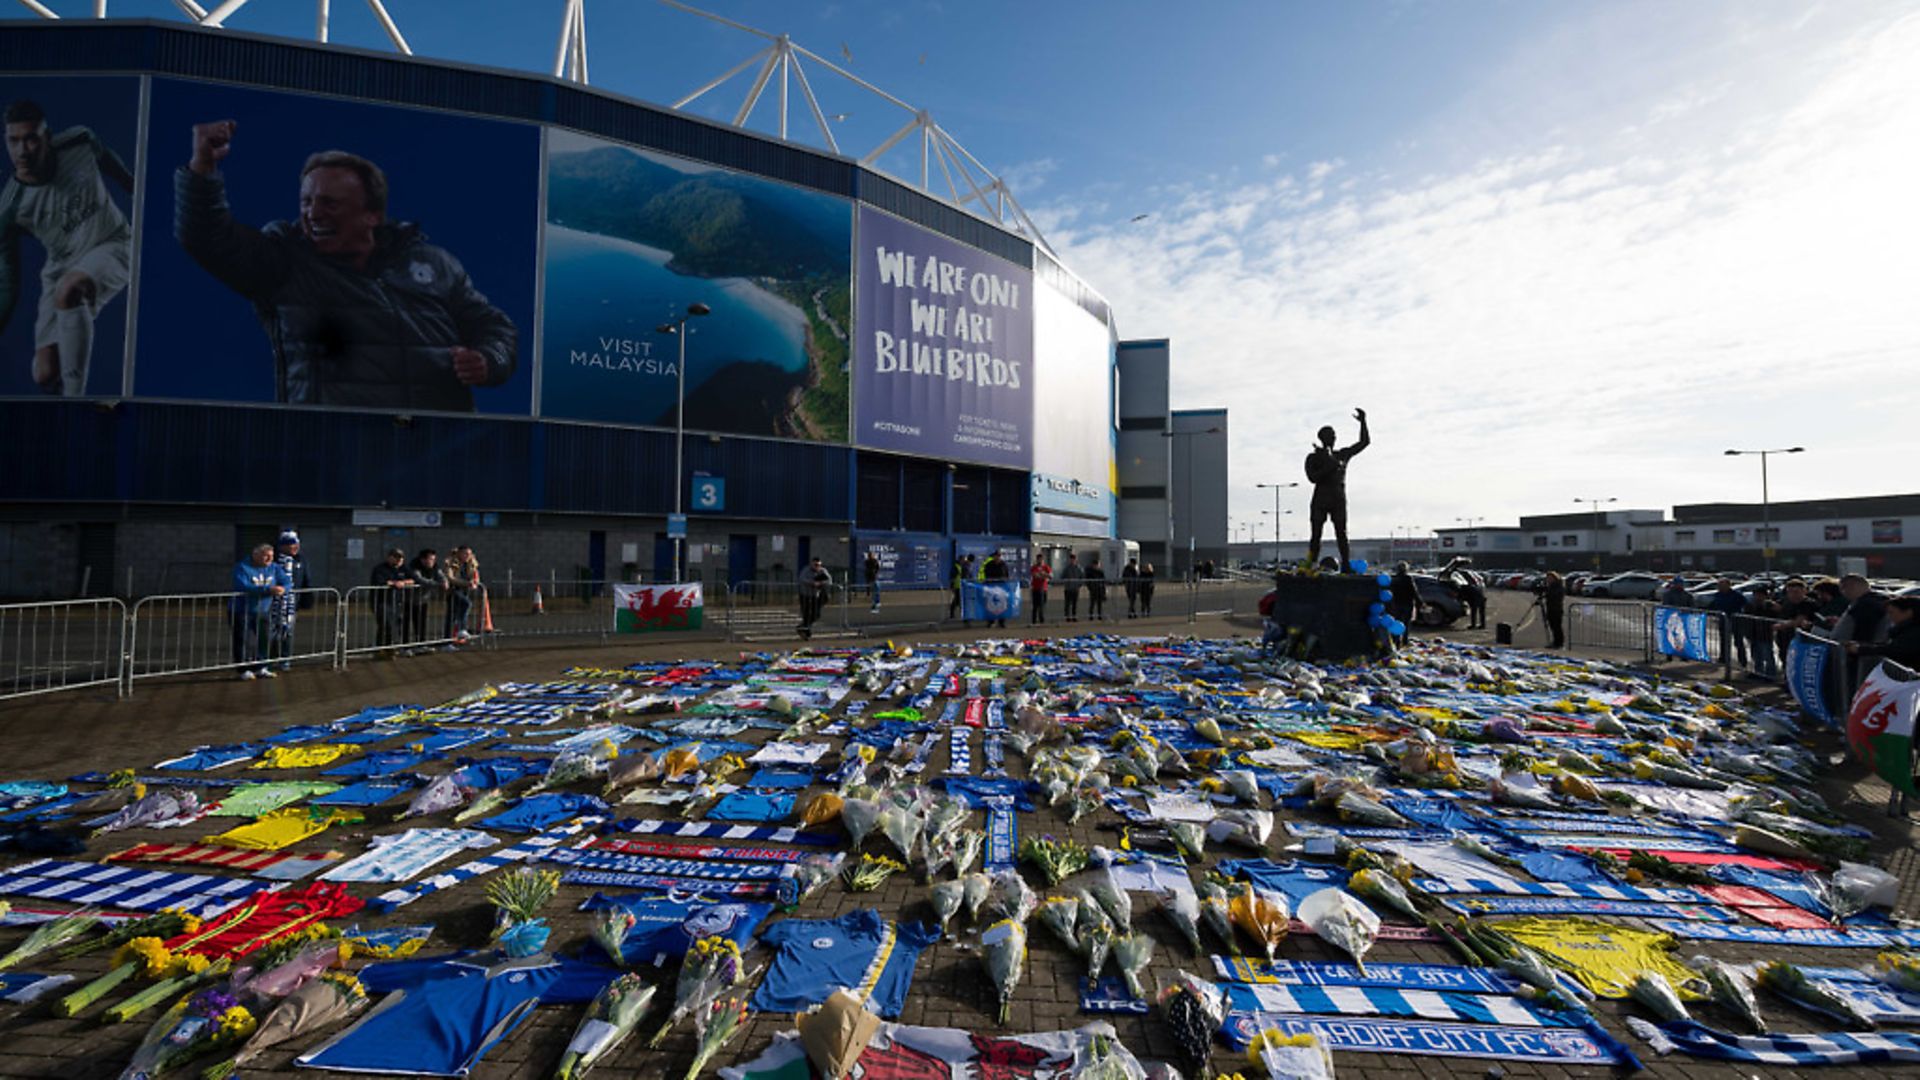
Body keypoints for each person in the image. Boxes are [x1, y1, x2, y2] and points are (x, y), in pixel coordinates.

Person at [175, 120, 517, 411]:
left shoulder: (435, 263)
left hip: (437, 455)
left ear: (373, 215)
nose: (313, 213)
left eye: (329, 203)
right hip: (331, 457)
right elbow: (209, 239)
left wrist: (488, 360)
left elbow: (495, 327)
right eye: (306, 202)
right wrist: (202, 168)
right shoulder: (285, 263)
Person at [1, 99, 134, 396]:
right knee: (45, 374)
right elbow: (8, 283)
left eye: (31, 139)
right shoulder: (10, 209)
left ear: (46, 137)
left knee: (70, 288)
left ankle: (76, 405)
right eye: (14, 141)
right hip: (60, 265)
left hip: (113, 241)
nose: (23, 150)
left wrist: (135, 186)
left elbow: (106, 157)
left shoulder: (78, 140)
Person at [1304, 407, 1370, 572]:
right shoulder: (1313, 457)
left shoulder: (1343, 454)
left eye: (1334, 435)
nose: (1333, 438)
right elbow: (1313, 478)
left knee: (1342, 533)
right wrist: (1329, 464)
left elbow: (1364, 442)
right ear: (1322, 438)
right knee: (1316, 535)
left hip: (1338, 498)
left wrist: (1363, 422)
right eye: (1330, 436)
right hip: (1320, 498)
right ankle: (1311, 565)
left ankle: (1346, 564)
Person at [230, 542, 288, 679]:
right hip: (242, 610)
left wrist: (284, 588)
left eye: (271, 556)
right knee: (244, 640)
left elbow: (286, 581)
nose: (269, 559)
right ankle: (243, 670)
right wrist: (267, 590)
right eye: (265, 556)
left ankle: (261, 666)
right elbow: (243, 586)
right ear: (255, 555)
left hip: (263, 610)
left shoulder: (274, 568)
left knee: (264, 639)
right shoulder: (242, 567)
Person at [266, 530, 311, 671]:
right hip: (272, 603)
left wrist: (306, 600)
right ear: (283, 546)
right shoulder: (273, 560)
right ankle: (270, 659)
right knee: (271, 632)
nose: (295, 547)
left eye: (296, 543)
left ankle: (285, 659)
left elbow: (306, 579)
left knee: (287, 631)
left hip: (291, 603)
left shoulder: (301, 560)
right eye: (291, 544)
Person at [1846, 596, 1920, 670]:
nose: (1889, 616)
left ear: (1908, 612)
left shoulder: (1914, 631)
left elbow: (1894, 649)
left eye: (1892, 612)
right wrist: (1862, 646)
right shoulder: (1905, 629)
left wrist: (1861, 649)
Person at [369, 546, 416, 651]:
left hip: (398, 602)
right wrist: (394, 583)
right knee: (385, 625)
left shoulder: (403, 568)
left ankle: (390, 648)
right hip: (382, 602)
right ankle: (381, 648)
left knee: (397, 625)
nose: (399, 560)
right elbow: (380, 582)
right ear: (389, 557)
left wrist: (404, 582)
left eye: (401, 558)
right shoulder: (380, 569)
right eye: (396, 557)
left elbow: (414, 579)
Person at [1705, 578, 1750, 667]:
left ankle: (1742, 660)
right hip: (1723, 620)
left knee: (1738, 641)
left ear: (1728, 585)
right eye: (1719, 585)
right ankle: (1723, 658)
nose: (1720, 587)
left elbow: (1746, 604)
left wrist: (1742, 614)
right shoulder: (1717, 595)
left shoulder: (1736, 595)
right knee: (1724, 641)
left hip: (1735, 621)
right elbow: (1712, 606)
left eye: (1722, 585)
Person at [406, 548, 442, 653]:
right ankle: (405, 647)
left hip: (423, 599)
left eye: (433, 559)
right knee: (406, 624)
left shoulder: (435, 565)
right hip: (408, 600)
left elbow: (440, 575)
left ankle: (421, 645)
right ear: (423, 559)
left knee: (421, 623)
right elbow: (419, 579)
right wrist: (437, 584)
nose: (433, 561)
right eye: (431, 559)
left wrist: (444, 581)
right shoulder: (414, 566)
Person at [443, 545, 479, 646]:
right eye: (465, 553)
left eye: (469, 554)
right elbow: (450, 578)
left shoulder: (471, 563)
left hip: (465, 591)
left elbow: (475, 575)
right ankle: (461, 629)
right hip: (454, 591)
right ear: (459, 553)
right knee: (466, 604)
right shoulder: (451, 563)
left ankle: (450, 640)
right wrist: (466, 583)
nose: (467, 556)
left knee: (453, 616)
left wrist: (475, 583)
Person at [1745, 583, 1780, 679]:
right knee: (1756, 655)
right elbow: (1746, 617)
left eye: (1760, 594)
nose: (1758, 597)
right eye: (1756, 594)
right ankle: (1758, 672)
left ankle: (1770, 674)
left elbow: (1777, 614)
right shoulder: (1750, 605)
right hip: (1753, 633)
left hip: (1765, 634)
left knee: (1768, 655)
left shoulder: (1770, 605)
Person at [796, 556, 832, 639]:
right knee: (806, 614)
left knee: (816, 614)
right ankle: (806, 632)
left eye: (818, 565)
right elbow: (802, 579)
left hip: (815, 595)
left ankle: (803, 628)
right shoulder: (806, 570)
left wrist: (821, 582)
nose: (817, 567)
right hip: (805, 595)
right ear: (811, 564)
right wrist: (812, 583)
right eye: (815, 565)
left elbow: (829, 580)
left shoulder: (822, 571)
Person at [981, 551, 1011, 629]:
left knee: (1002, 605)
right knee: (991, 605)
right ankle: (991, 621)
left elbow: (1006, 574)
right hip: (992, 587)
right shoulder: (989, 565)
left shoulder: (1003, 564)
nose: (997, 557)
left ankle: (1001, 622)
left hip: (1001, 587)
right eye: (996, 556)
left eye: (999, 556)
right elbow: (986, 574)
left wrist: (1006, 582)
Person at [1389, 561, 1420, 632]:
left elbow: (1391, 592)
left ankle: (1397, 639)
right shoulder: (1408, 579)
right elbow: (1414, 591)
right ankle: (1405, 639)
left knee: (1397, 622)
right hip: (1407, 603)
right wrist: (1420, 602)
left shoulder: (1394, 579)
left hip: (1397, 603)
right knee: (1406, 623)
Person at [1539, 571, 1566, 649]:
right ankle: (1555, 642)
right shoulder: (1550, 586)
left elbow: (1556, 595)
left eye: (1550, 578)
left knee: (1556, 626)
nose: (1549, 580)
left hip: (1556, 609)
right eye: (1548, 578)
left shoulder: (1558, 586)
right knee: (1552, 626)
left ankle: (1559, 643)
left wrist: (1547, 593)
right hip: (1550, 608)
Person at [949, 554, 975, 627]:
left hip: (961, 586)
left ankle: (955, 614)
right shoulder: (958, 567)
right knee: (959, 601)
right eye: (963, 559)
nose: (964, 560)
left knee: (957, 601)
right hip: (958, 586)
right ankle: (962, 616)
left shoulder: (962, 566)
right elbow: (953, 577)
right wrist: (952, 586)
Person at [1059, 552, 1084, 623]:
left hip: (1075, 589)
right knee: (1067, 604)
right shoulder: (1066, 568)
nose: (1072, 560)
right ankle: (1067, 617)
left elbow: (1082, 577)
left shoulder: (1079, 568)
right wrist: (1066, 582)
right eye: (1071, 559)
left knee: (1075, 604)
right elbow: (1062, 576)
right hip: (1068, 589)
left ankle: (1074, 616)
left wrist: (1079, 585)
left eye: (1074, 559)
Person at [1028, 556, 1051, 626]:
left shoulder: (1046, 567)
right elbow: (1035, 575)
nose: (1040, 561)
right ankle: (1034, 621)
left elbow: (1050, 575)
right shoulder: (1034, 567)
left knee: (1042, 605)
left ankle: (1042, 620)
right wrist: (1042, 575)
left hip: (1043, 588)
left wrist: (1044, 575)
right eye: (1038, 559)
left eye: (1041, 559)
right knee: (1035, 606)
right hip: (1035, 588)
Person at [1085, 555, 1108, 622]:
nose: (1096, 566)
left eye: (1097, 564)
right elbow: (1088, 581)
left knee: (1099, 604)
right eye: (1095, 565)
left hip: (1099, 590)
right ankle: (1091, 616)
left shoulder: (1101, 572)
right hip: (1093, 590)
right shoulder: (1090, 572)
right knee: (1092, 603)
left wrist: (1104, 591)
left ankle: (1099, 616)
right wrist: (1090, 588)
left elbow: (1103, 582)